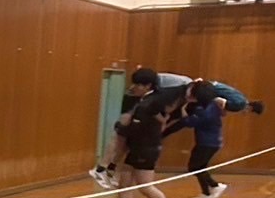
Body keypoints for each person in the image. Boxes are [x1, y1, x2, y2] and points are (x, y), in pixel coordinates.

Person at [91, 68, 262, 189]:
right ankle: (100, 169)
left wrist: (161, 126)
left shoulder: (188, 96)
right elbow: (154, 90)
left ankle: (111, 170)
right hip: (140, 97)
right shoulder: (181, 89)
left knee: (131, 139)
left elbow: (170, 115)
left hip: (151, 100)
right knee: (121, 132)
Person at [99, 82, 189, 198]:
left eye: (137, 84)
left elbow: (137, 128)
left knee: (145, 186)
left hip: (146, 150)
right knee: (124, 185)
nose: (133, 87)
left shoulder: (151, 106)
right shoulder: (145, 103)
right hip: (137, 147)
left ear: (147, 86)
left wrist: (122, 128)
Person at [163, 83, 229, 198]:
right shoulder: (211, 105)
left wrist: (183, 110)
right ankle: (206, 193)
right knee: (200, 167)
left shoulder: (205, 112)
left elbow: (189, 122)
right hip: (210, 142)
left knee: (194, 167)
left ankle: (215, 186)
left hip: (207, 144)